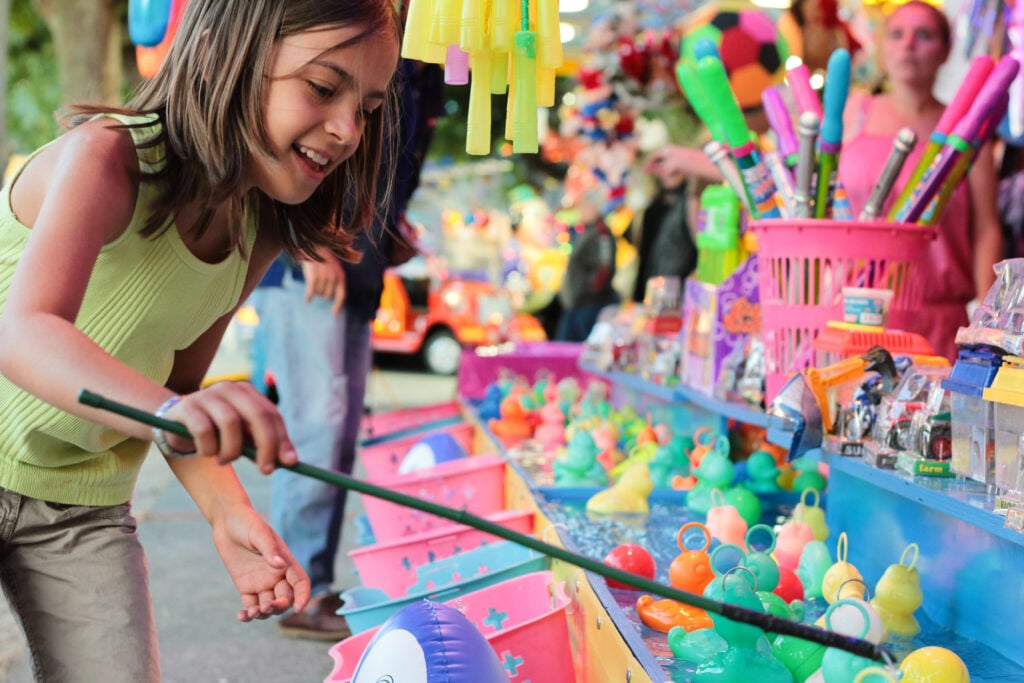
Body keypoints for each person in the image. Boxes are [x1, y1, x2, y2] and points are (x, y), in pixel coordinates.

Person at [0, 0, 401, 679]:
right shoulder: (107, 156)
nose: (346, 130)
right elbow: (25, 330)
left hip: (83, 508)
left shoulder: (259, 228)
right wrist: (166, 410)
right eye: (324, 87)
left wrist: (229, 512)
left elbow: (181, 391)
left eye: (365, 107)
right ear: (224, 52)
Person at [253, 58, 442, 641]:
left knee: (335, 434)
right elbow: (272, 129)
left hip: (360, 266)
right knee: (316, 429)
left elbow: (389, 165)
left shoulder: (426, 57)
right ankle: (296, 589)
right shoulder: (353, 30)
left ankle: (311, 584)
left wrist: (390, 232)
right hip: (310, 263)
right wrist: (299, 244)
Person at [839, 0, 1003, 361]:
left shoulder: (967, 133)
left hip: (939, 326)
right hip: (855, 317)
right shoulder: (853, 113)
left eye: (923, 34)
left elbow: (986, 229)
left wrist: (986, 325)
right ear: (882, 47)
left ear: (945, 50)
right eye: (897, 34)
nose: (908, 44)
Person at [627, 149, 700, 303]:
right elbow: (645, 254)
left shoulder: (690, 200)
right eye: (661, 166)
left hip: (680, 290)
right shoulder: (652, 209)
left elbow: (696, 241)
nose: (667, 170)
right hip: (656, 290)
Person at [557, 186, 620, 342]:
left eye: (584, 206)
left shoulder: (601, 234)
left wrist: (588, 293)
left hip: (590, 305)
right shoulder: (587, 231)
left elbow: (604, 269)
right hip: (579, 304)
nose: (580, 210)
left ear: (594, 207)